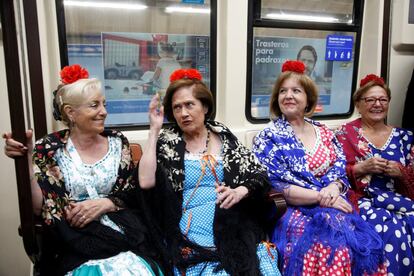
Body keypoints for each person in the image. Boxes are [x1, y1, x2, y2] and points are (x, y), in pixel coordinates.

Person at [3, 64, 165, 275]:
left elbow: (133, 193)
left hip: (123, 234)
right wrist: (26, 158)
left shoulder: (118, 142)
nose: (104, 112)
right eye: (94, 105)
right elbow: (40, 206)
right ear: (71, 112)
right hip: (74, 238)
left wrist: (107, 203)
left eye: (104, 104)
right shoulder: (49, 149)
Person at [138, 68, 281, 275]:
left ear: (204, 106)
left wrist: (240, 190)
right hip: (189, 225)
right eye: (177, 108)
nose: (183, 113)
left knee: (256, 265)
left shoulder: (223, 135)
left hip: (230, 220)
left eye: (189, 105)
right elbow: (145, 182)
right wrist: (154, 130)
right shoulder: (168, 141)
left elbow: (258, 174)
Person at [252, 60, 386, 275]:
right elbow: (277, 184)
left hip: (331, 200)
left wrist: (333, 189)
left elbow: (339, 170)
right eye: (283, 91)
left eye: (296, 90)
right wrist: (320, 197)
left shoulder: (323, 132)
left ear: (308, 99)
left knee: (361, 244)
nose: (289, 96)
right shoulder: (268, 137)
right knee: (332, 247)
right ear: (277, 99)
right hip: (292, 208)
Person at [336, 74, 414, 275]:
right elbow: (330, 174)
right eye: (370, 100)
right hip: (362, 199)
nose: (377, 104)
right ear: (358, 104)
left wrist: (402, 173)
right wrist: (359, 169)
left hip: (400, 198)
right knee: (391, 230)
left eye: (382, 99)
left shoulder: (405, 137)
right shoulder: (344, 134)